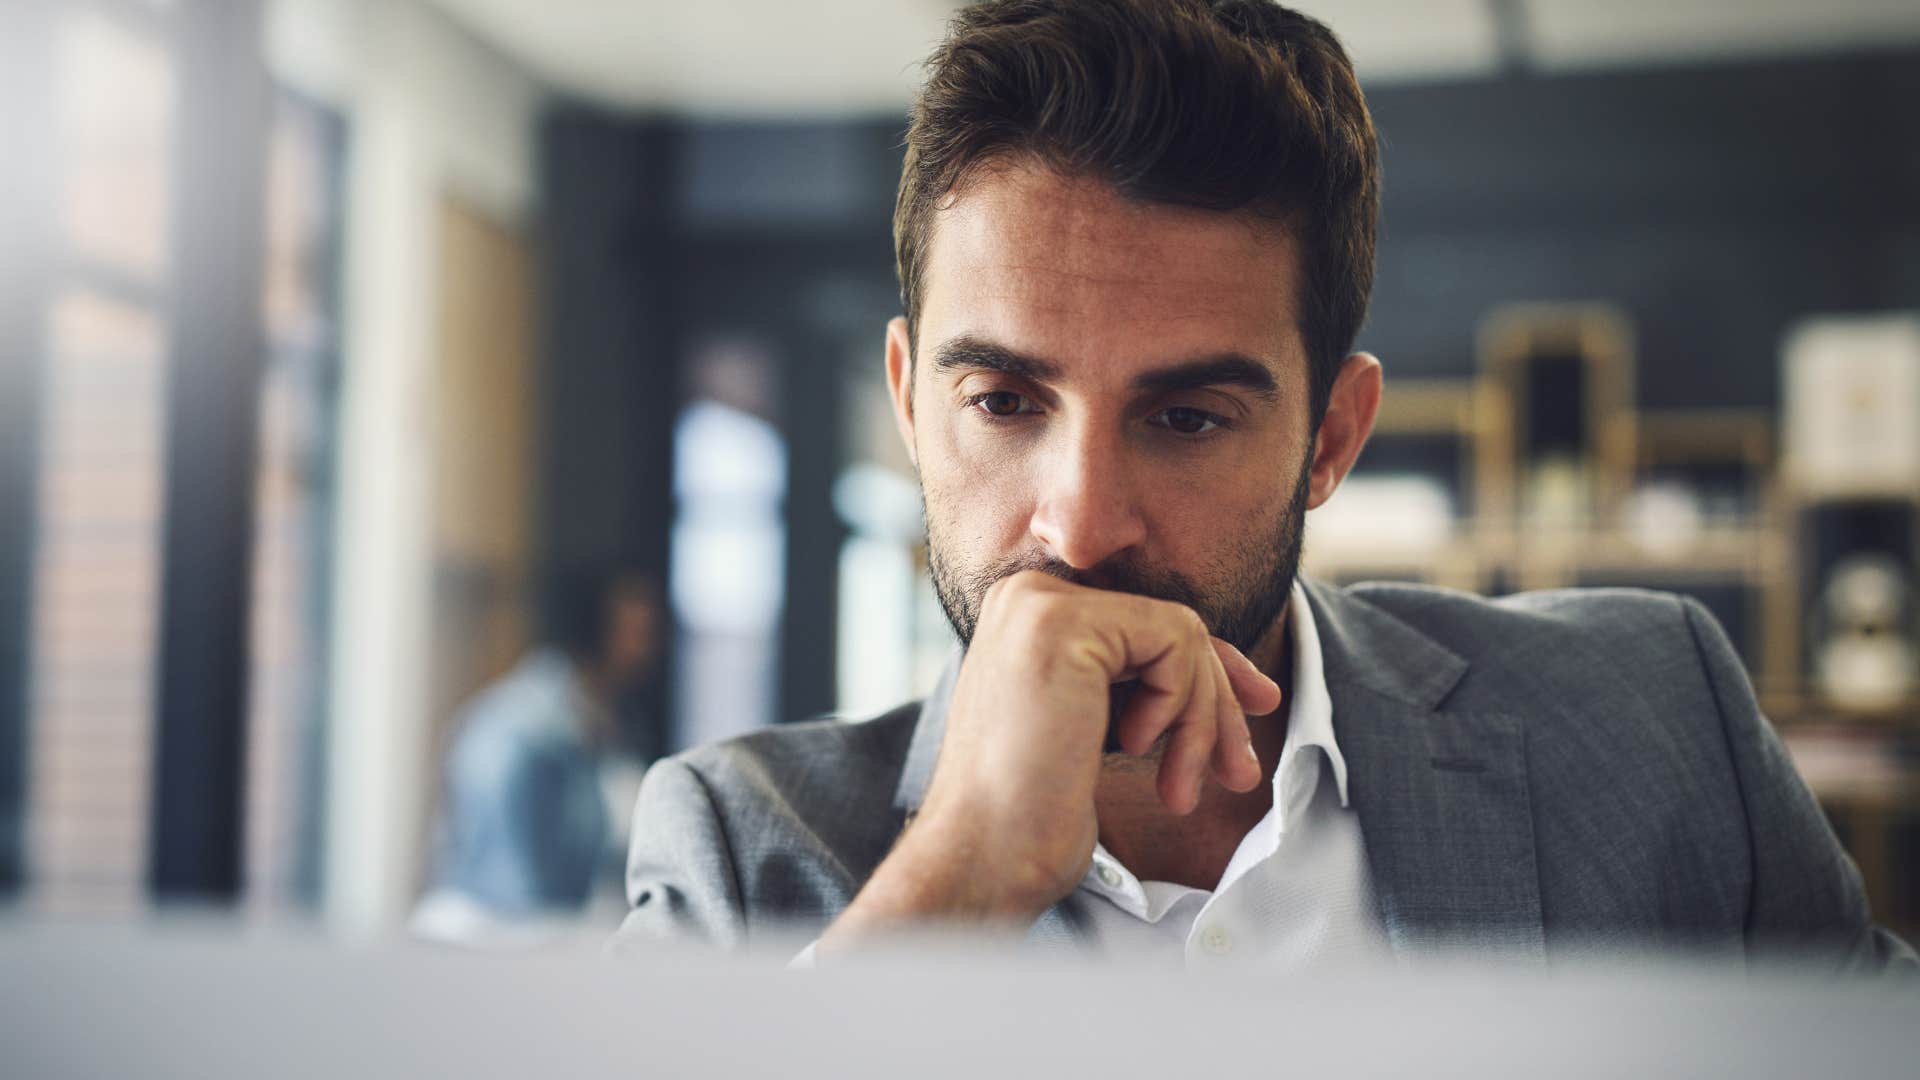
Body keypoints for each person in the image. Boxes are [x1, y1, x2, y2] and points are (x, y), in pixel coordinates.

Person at [615, 0, 1914, 970]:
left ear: (1333, 438)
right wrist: (956, 882)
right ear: (908, 402)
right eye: (1004, 402)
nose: (1079, 522)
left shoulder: (1658, 728)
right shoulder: (739, 851)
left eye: (1185, 416)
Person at [413, 569, 661, 943]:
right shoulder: (523, 732)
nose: (649, 647)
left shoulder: (602, 722)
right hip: (495, 947)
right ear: (595, 628)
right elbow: (515, 888)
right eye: (637, 630)